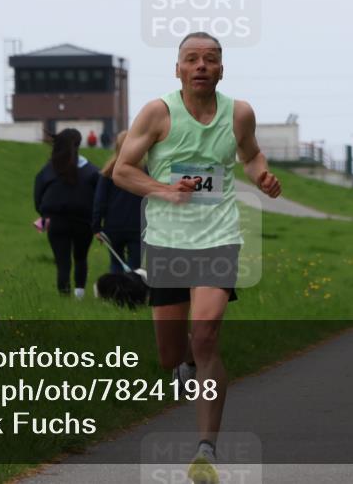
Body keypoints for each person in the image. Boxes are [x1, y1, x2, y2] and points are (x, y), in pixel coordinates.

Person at [113, 32, 281, 483]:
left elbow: (251, 155)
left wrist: (262, 175)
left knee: (206, 335)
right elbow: (123, 171)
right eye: (192, 59)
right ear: (178, 69)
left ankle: (206, 449)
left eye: (210, 59)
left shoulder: (238, 113)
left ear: (222, 69)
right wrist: (165, 190)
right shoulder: (157, 113)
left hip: (218, 238)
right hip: (167, 242)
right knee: (170, 354)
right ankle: (183, 362)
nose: (201, 66)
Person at [34, 129, 100, 298]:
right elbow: (99, 198)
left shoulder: (48, 170)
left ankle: (64, 296)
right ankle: (79, 295)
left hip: (55, 222)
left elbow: (38, 196)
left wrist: (44, 213)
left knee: (62, 262)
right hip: (84, 222)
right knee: (81, 258)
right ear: (79, 144)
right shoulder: (92, 171)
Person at [92, 130, 143, 274]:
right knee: (135, 267)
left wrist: (96, 227)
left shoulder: (107, 173)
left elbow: (99, 201)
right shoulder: (145, 171)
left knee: (116, 264)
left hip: (113, 227)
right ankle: (132, 287)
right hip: (137, 226)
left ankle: (116, 287)